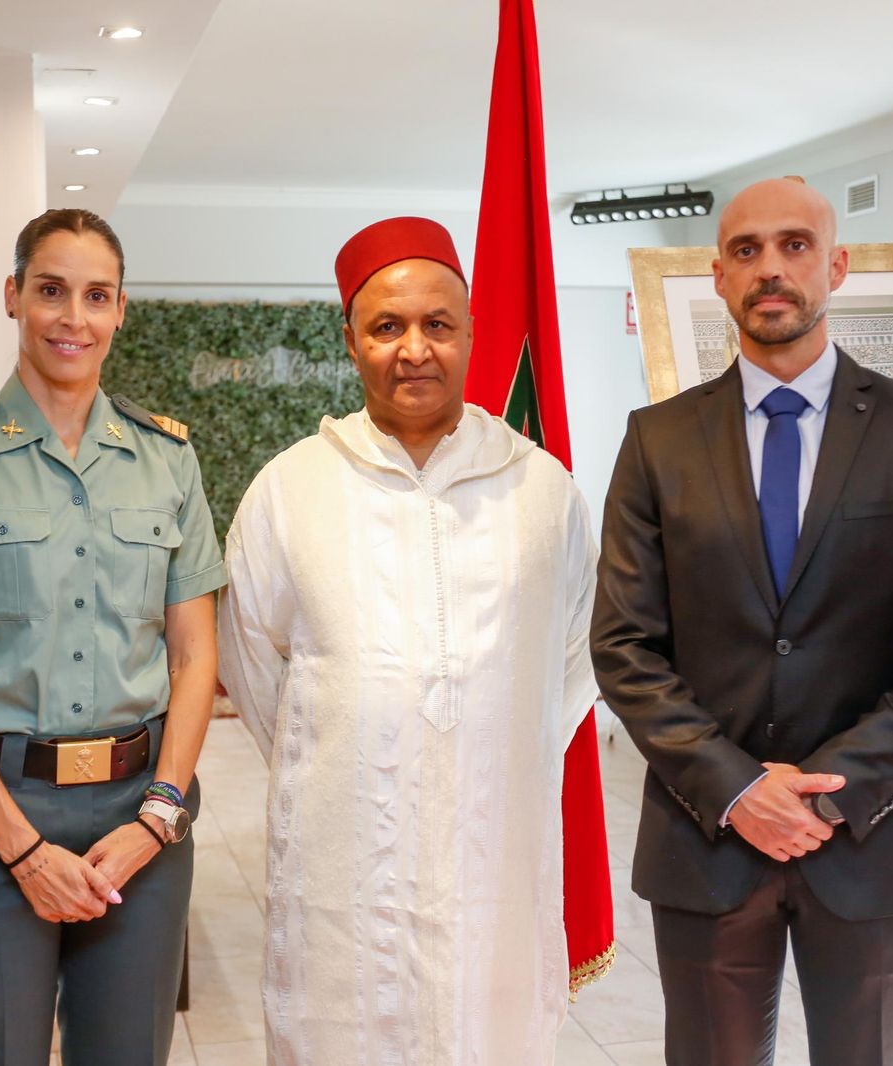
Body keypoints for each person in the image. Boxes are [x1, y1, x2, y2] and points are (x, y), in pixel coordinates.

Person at [590, 178, 893, 1066]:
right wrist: (740, 789)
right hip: (706, 841)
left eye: (794, 246)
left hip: (870, 841)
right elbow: (625, 647)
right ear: (718, 276)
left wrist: (831, 789)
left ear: (837, 265)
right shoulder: (657, 440)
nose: (770, 269)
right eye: (746, 250)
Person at [217, 216, 599, 1065]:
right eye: (387, 327)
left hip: (495, 838)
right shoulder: (290, 489)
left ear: (472, 335)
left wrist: (493, 742)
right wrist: (349, 745)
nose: (414, 349)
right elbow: (250, 660)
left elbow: (573, 660)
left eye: (437, 324)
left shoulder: (542, 489)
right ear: (351, 341)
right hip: (343, 848)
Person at [0, 207, 224, 1066]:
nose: (74, 318)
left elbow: (193, 655)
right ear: (14, 298)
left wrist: (159, 817)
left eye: (96, 296)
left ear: (121, 310)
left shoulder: (168, 460)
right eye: (52, 291)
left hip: (139, 820)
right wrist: (24, 851)